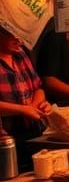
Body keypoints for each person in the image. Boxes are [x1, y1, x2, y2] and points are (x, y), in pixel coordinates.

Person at [0, 26, 52, 170]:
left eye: (21, 34)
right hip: (6, 139)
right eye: (13, 35)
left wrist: (37, 105)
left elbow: (38, 87)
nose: (19, 40)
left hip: (34, 133)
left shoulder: (20, 54)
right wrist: (23, 110)